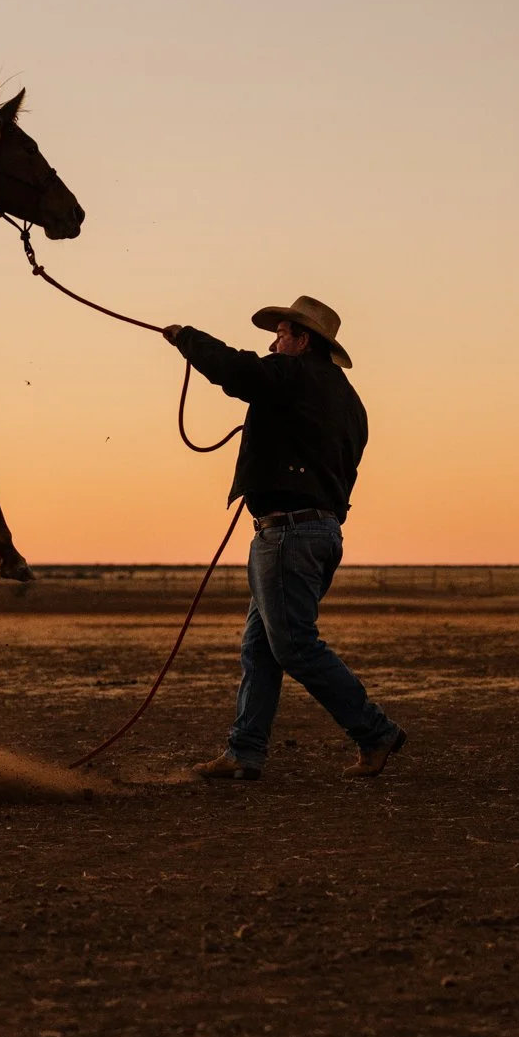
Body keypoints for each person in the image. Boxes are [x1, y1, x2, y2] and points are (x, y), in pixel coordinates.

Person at [163, 295, 405, 781]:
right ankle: (244, 752)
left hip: (288, 535)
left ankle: (375, 732)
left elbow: (239, 370)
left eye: (280, 335)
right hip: (317, 532)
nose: (273, 345)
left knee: (293, 645)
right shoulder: (348, 401)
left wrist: (186, 338)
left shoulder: (294, 376)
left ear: (303, 339)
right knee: (260, 647)